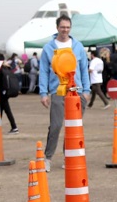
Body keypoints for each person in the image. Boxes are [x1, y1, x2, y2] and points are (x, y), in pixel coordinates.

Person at [38, 15, 91, 172]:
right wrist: (43, 93)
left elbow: (84, 70)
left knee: (73, 127)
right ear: (57, 28)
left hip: (78, 91)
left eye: (68, 27)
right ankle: (47, 158)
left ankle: (68, 157)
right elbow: (44, 72)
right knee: (55, 125)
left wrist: (87, 91)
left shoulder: (78, 46)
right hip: (58, 91)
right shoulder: (49, 48)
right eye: (62, 27)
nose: (65, 30)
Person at [0, 53, 18, 134]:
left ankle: (14, 127)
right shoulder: (6, 67)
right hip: (6, 91)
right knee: (0, 109)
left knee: (6, 110)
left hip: (2, 91)